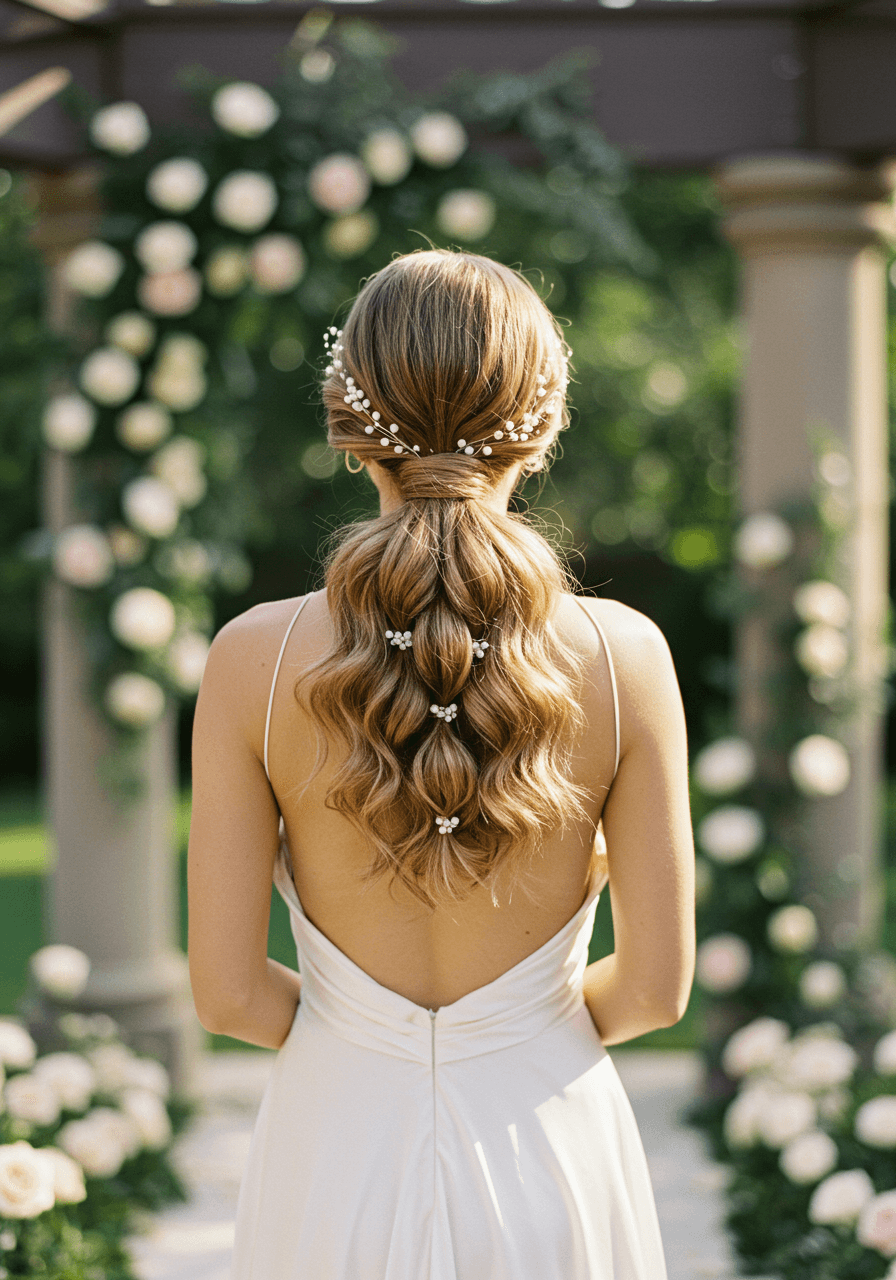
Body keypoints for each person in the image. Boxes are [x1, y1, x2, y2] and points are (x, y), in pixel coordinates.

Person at [187, 248, 696, 1279]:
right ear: (541, 425)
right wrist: (511, 1040)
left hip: (332, 1148)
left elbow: (229, 995)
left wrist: (363, 1041)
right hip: (549, 1139)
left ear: (347, 421)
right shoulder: (623, 655)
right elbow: (652, 989)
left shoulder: (252, 657)